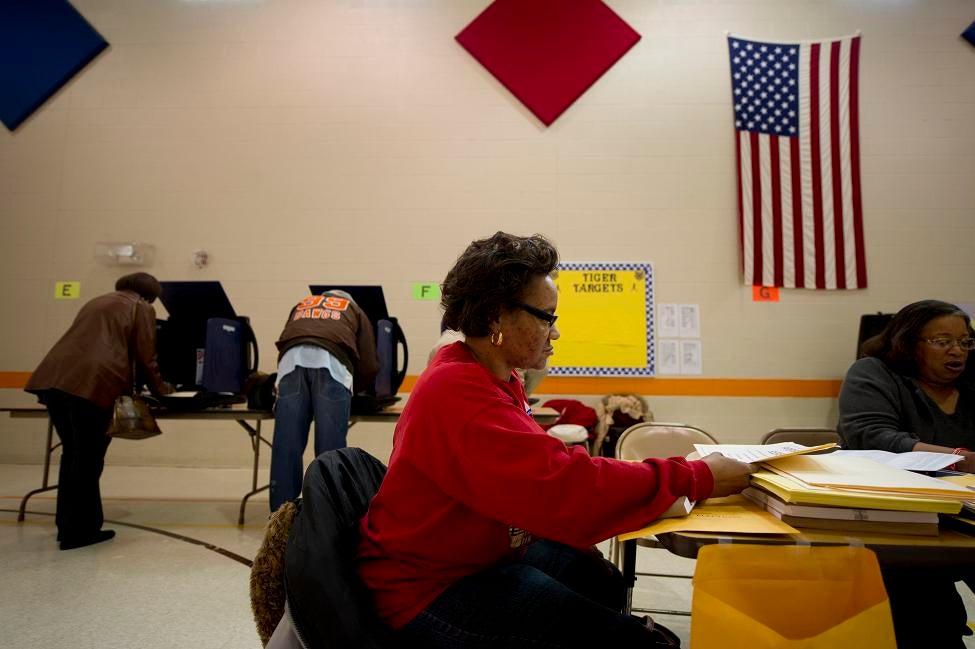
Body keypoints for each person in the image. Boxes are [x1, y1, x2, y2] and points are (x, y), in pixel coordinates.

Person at [356, 232, 755, 648]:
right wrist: (698, 476)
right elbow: (565, 486)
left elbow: (532, 482)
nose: (555, 333)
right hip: (427, 590)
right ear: (496, 317)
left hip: (472, 558)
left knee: (603, 582)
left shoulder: (489, 375)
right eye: (547, 317)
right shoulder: (460, 393)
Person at [837, 299, 975, 648]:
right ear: (908, 343)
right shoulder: (873, 373)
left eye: (965, 341)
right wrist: (959, 459)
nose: (957, 350)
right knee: (925, 614)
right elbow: (873, 437)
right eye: (943, 341)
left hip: (969, 515)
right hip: (899, 520)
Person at [25, 272, 174, 550]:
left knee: (73, 455)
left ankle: (68, 527)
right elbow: (145, 355)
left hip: (54, 381)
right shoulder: (141, 307)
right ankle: (79, 532)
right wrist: (162, 390)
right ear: (150, 294)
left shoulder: (96, 302)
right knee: (88, 459)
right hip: (93, 384)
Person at [269, 289, 378, 512]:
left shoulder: (303, 303)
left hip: (290, 365)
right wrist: (359, 391)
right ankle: (328, 515)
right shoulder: (353, 309)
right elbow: (368, 363)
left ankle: (280, 520)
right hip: (333, 367)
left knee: (286, 446)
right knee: (330, 450)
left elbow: (287, 337)